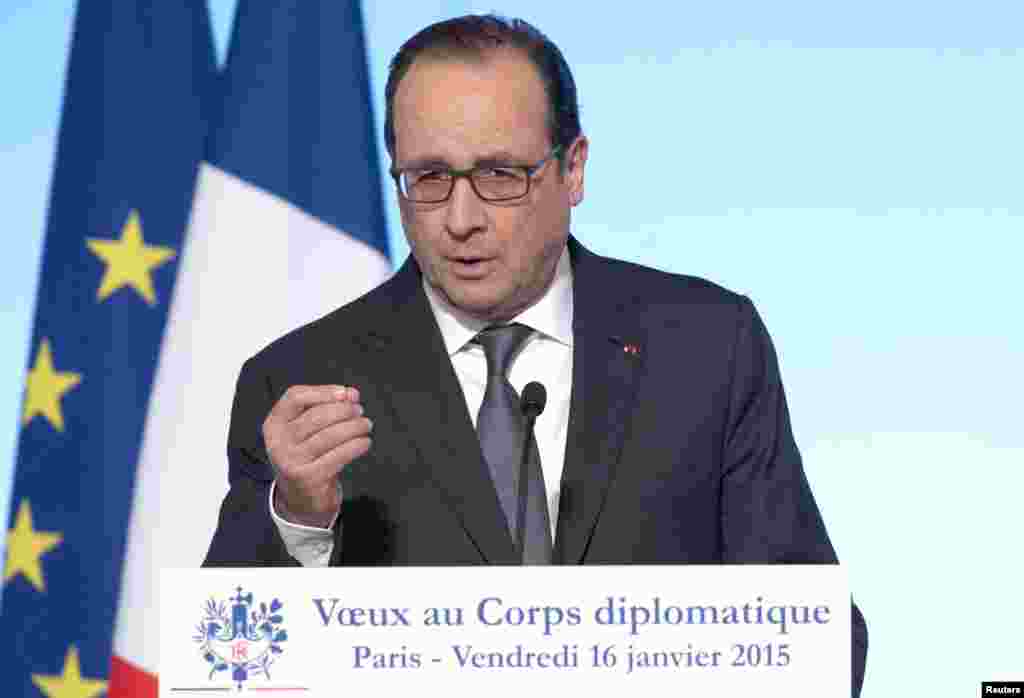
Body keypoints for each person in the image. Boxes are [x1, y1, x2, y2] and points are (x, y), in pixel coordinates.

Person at [203, 14, 867, 694]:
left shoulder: (705, 345)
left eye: (499, 174)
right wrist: (302, 519)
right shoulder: (298, 381)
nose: (460, 219)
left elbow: (815, 640)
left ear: (573, 169)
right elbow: (226, 669)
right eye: (428, 177)